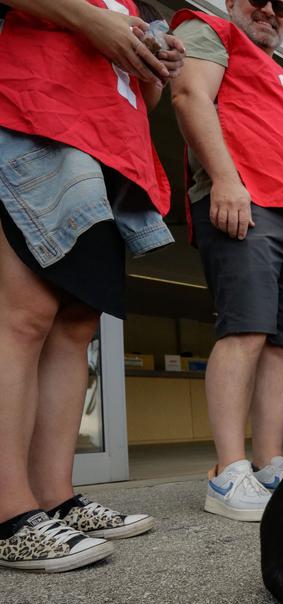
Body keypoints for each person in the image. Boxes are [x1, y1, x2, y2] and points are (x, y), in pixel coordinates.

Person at [0, 0, 184, 571]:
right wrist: (88, 19)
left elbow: (139, 96)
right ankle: (8, 512)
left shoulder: (129, 4)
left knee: (78, 323)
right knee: (24, 314)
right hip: (33, 114)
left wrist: (151, 62)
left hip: (109, 148)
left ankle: (56, 496)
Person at [171, 0, 283, 521]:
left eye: (280, 5)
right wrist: (223, 178)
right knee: (245, 330)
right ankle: (227, 471)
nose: (268, 10)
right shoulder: (213, 30)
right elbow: (190, 93)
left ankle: (268, 465)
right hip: (246, 201)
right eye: (255, 0)